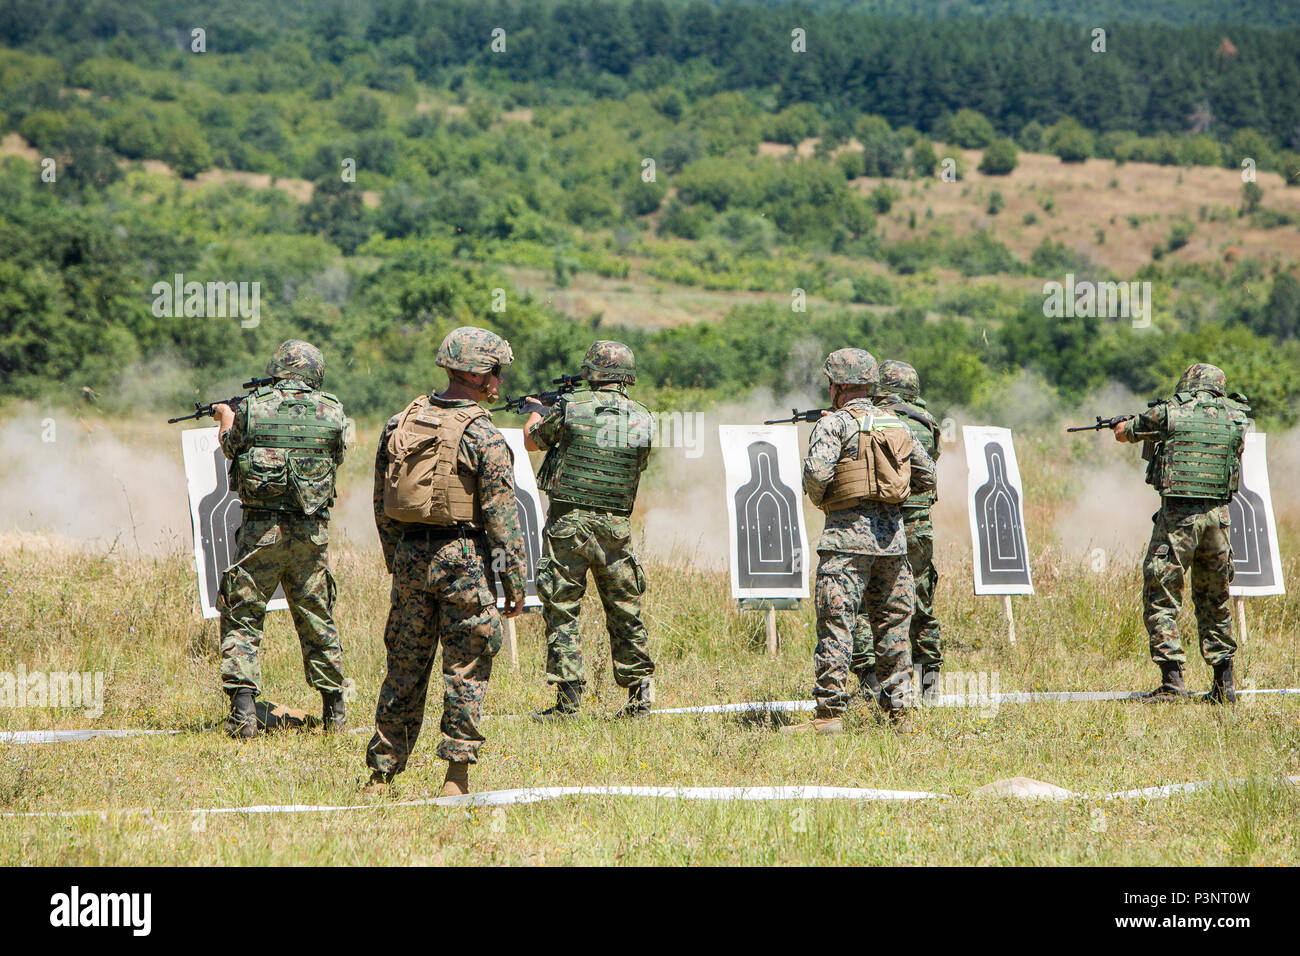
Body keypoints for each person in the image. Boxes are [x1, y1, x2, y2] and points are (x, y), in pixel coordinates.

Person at [364, 327, 527, 797]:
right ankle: (456, 777)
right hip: (464, 558)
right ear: (477, 374)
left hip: (412, 555)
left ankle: (381, 774)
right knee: (467, 666)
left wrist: (399, 556)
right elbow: (501, 516)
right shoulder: (483, 433)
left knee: (405, 665)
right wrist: (513, 581)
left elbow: (382, 500)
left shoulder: (401, 421)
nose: (499, 381)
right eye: (496, 371)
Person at [784, 348, 935, 735]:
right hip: (893, 545)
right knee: (893, 628)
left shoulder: (833, 424)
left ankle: (829, 716)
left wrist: (827, 503)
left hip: (845, 543)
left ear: (839, 386)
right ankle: (899, 716)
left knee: (837, 625)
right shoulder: (895, 424)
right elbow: (929, 478)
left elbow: (816, 475)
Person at [212, 340, 348, 739]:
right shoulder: (333, 411)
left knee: (243, 615)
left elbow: (229, 447)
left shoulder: (253, 406)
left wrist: (225, 416)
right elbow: (335, 455)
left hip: (261, 533)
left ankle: (244, 716)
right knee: (316, 617)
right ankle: (334, 714)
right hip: (311, 534)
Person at [523, 341, 657, 721]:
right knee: (625, 610)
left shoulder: (569, 407)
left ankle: (568, 702)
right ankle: (638, 701)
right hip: (616, 525)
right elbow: (639, 463)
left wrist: (535, 413)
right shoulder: (643, 417)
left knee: (562, 607)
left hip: (569, 523)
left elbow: (533, 441)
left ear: (591, 371)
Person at [1112, 363, 1250, 704]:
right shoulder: (1236, 416)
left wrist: (1120, 426)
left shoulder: (1170, 411)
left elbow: (1125, 432)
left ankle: (1172, 682)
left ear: (1188, 383)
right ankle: (1224, 684)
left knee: (1161, 593)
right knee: (1214, 599)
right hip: (1218, 518)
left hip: (1178, 518)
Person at [850, 360, 944, 703]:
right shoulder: (927, 422)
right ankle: (928, 686)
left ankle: (872, 682)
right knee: (920, 605)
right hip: (919, 525)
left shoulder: (876, 421)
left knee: (867, 604)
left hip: (882, 525)